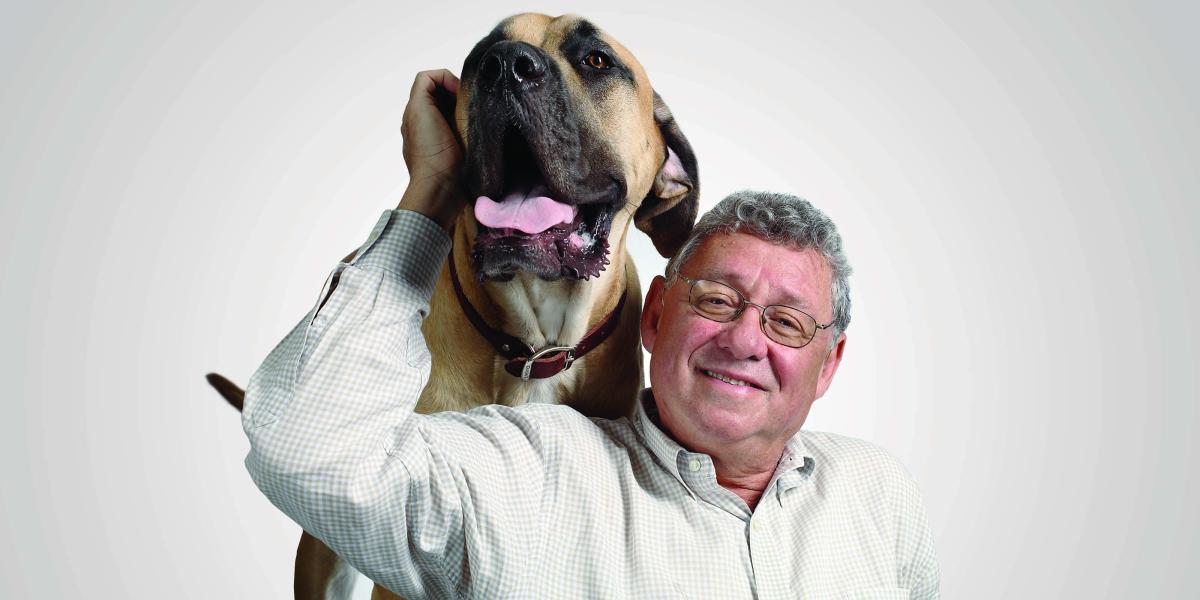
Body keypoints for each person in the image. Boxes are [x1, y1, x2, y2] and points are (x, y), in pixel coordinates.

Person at [244, 70, 940, 599]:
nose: (744, 339)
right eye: (718, 300)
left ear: (828, 365)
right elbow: (307, 450)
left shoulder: (877, 493)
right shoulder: (524, 477)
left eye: (786, 322)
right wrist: (432, 196)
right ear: (657, 314)